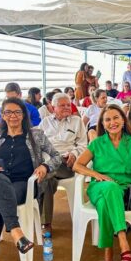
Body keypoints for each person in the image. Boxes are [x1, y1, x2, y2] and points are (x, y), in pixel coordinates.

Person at [0, 98, 61, 261]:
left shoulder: (36, 135)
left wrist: (45, 166)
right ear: (2, 115)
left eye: (17, 112)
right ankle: (15, 230)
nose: (13, 116)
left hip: (22, 184)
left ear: (23, 115)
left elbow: (56, 156)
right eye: (8, 112)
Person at [73, 104, 131, 261]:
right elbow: (77, 165)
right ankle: (122, 238)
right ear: (103, 124)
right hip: (98, 187)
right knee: (109, 188)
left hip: (123, 188)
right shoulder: (97, 143)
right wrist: (97, 175)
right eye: (107, 120)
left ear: (123, 120)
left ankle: (108, 255)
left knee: (105, 204)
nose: (112, 122)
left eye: (116, 118)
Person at [39, 93, 87, 234]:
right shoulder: (45, 122)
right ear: (53, 107)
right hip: (47, 161)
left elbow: (84, 145)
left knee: (43, 175)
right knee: (47, 180)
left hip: (66, 162)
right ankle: (46, 222)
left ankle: (43, 220)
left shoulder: (77, 121)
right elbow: (37, 144)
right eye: (62, 105)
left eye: (68, 105)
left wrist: (74, 154)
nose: (67, 107)